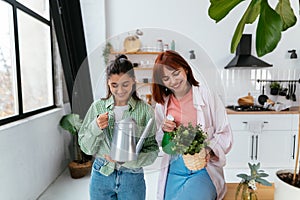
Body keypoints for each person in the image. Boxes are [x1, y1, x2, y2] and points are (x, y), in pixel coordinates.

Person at [152, 50, 233, 200]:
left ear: (186, 69)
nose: (173, 81)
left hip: (203, 168)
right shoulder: (162, 104)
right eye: (166, 78)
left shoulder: (207, 95)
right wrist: (164, 131)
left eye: (176, 73)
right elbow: (159, 141)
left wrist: (209, 150)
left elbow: (224, 133)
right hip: (174, 169)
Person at [78, 54, 159, 200]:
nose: (120, 90)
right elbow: (86, 148)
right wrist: (95, 126)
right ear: (108, 83)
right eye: (114, 85)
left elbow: (152, 151)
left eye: (125, 84)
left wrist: (129, 160)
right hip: (102, 174)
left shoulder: (146, 111)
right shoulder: (98, 107)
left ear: (133, 82)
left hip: (132, 178)